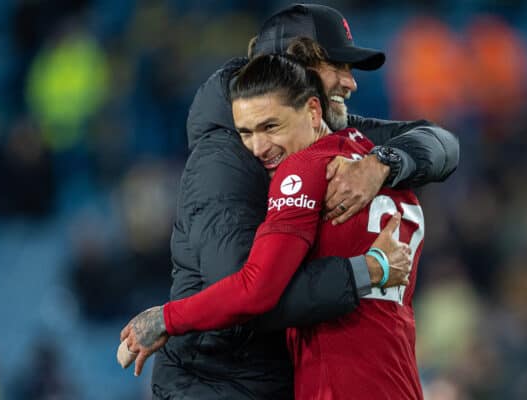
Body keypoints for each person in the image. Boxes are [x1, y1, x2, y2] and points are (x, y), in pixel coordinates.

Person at [127, 4, 459, 399]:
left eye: (269, 127)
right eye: (338, 65)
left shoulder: (324, 139)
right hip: (215, 384)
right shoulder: (224, 161)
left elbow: (439, 141)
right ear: (293, 67)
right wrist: (366, 271)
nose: (350, 83)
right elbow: (247, 294)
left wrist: (383, 164)